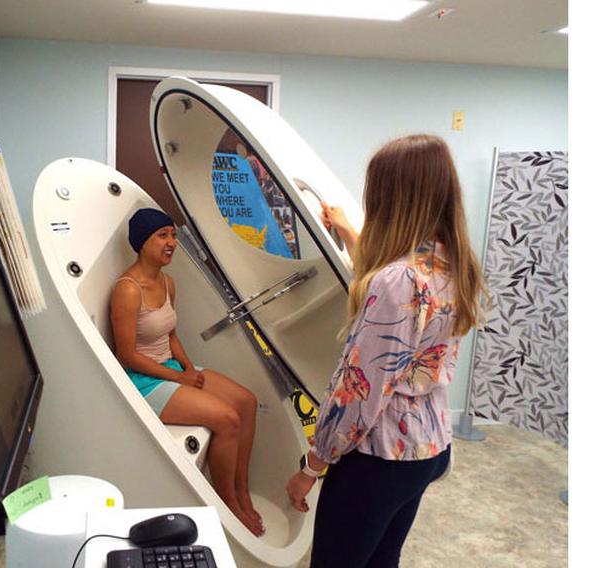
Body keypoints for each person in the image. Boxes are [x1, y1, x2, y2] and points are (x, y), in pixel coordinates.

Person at [286, 134, 487, 567]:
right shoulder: (452, 264)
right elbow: (397, 296)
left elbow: (359, 393)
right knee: (381, 560)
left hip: (378, 458)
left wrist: (312, 464)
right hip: (427, 447)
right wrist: (346, 232)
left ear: (390, 197)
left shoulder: (396, 282)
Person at [110, 208, 265, 536]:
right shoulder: (127, 289)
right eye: (162, 235)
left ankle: (242, 490)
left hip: (171, 368)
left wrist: (189, 368)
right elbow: (126, 356)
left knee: (247, 402)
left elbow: (171, 336)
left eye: (173, 235)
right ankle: (229, 505)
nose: (171, 242)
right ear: (142, 242)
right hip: (145, 381)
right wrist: (180, 378)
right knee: (227, 419)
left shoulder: (168, 282)